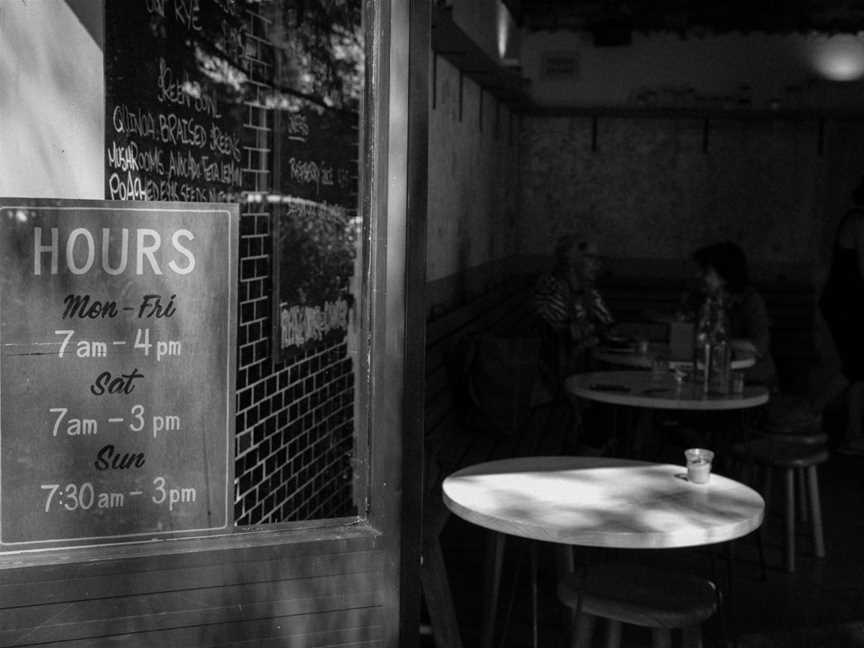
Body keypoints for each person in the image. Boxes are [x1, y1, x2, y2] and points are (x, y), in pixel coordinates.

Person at [690, 241, 777, 389]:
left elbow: (759, 345)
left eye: (706, 271)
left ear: (724, 276)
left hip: (750, 380)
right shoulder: (703, 301)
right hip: (713, 378)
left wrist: (715, 343)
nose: (699, 276)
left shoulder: (750, 300)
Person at [819, 177, 864, 453]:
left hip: (850, 303)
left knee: (858, 370)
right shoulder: (859, 220)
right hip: (848, 305)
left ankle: (853, 433)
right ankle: (808, 413)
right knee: (855, 367)